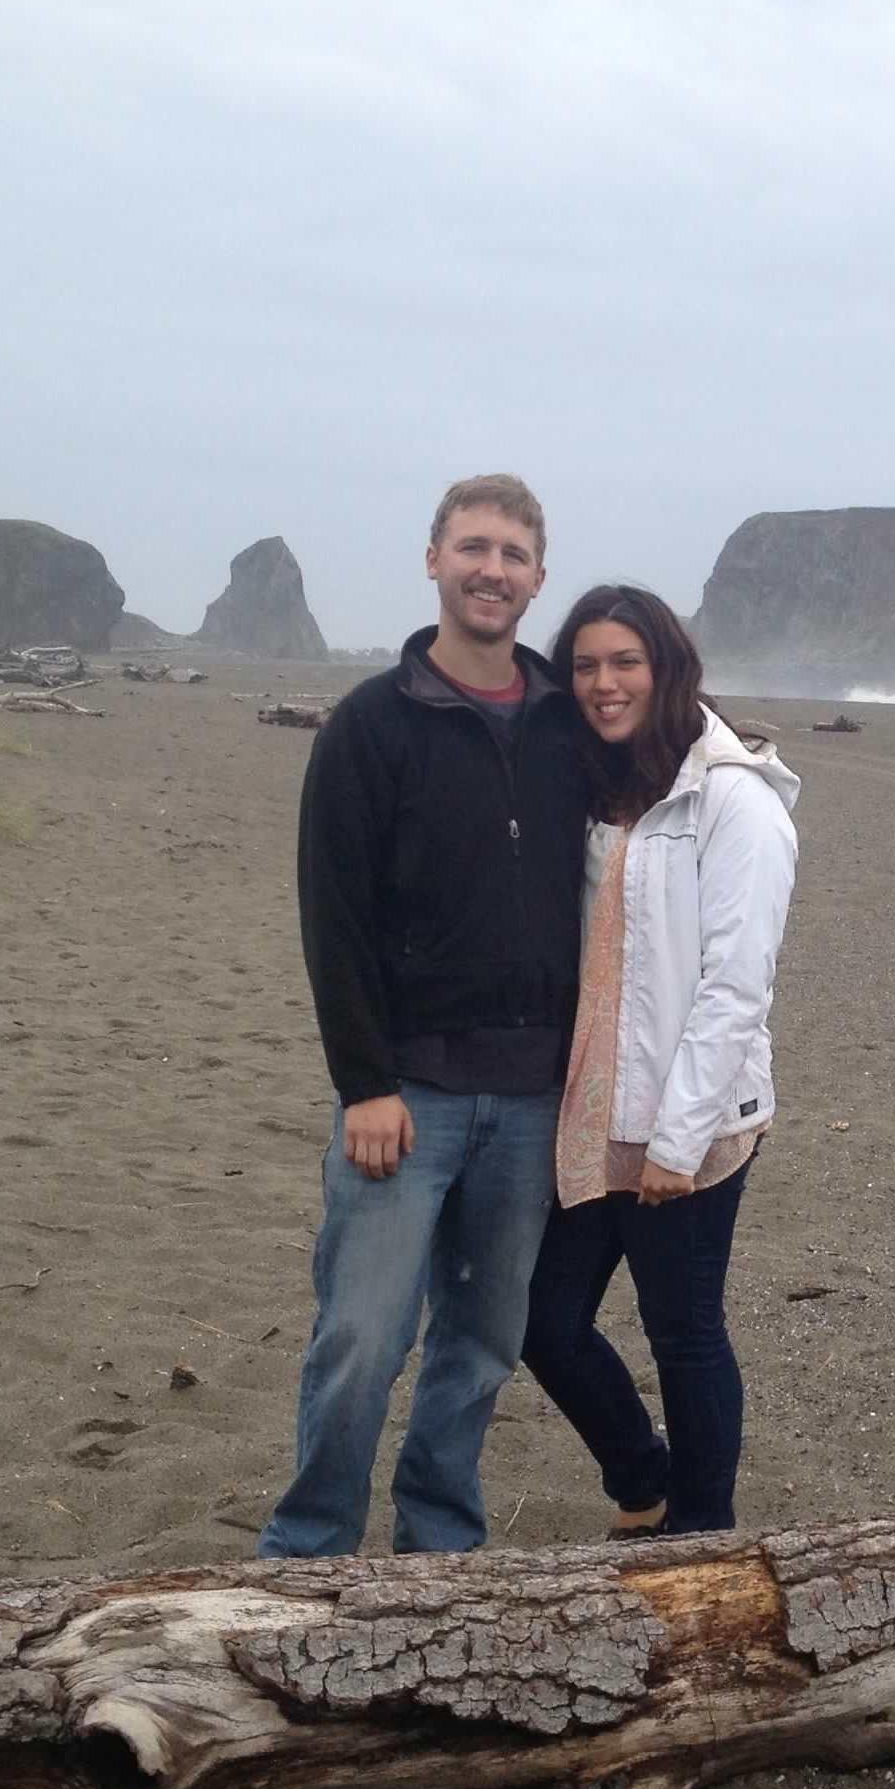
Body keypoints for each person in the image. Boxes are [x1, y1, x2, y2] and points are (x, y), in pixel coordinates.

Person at [258, 474, 590, 1558]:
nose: (492, 568)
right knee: (359, 1334)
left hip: (534, 1093)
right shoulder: (370, 724)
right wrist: (364, 1080)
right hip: (408, 1095)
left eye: (513, 553)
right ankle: (310, 1544)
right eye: (473, 546)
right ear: (434, 558)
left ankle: (438, 1536)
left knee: (484, 1339)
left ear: (539, 576)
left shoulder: (566, 724)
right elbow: (333, 913)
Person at [520, 586, 799, 1539]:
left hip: (695, 1121)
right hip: (599, 1108)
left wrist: (677, 1142)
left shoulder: (732, 800)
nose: (604, 682)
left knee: (684, 1335)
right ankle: (643, 1479)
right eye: (587, 664)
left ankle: (701, 1531)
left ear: (667, 667)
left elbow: (734, 988)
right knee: (543, 1321)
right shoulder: (598, 787)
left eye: (624, 662)